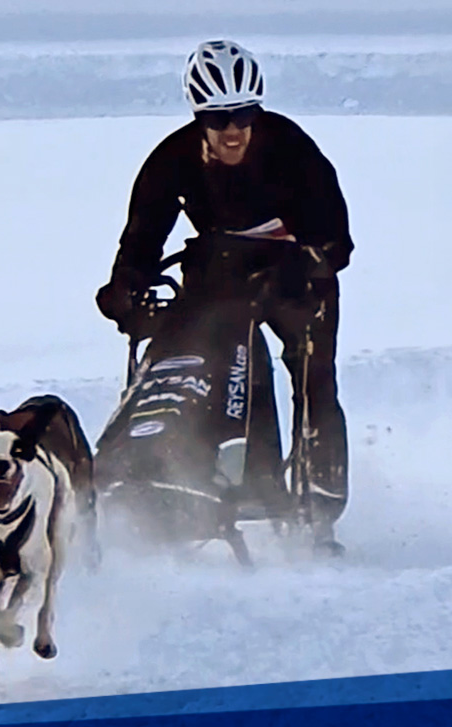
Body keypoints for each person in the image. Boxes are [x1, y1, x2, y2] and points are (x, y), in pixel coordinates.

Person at [95, 39, 354, 553]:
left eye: (244, 114)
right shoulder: (171, 160)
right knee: (207, 353)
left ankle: (317, 507)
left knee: (312, 376)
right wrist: (125, 292)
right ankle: (197, 475)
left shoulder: (292, 149)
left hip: (299, 271)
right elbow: (142, 239)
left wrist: (298, 267)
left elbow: (337, 242)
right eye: (219, 119)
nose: (233, 130)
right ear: (199, 118)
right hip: (221, 266)